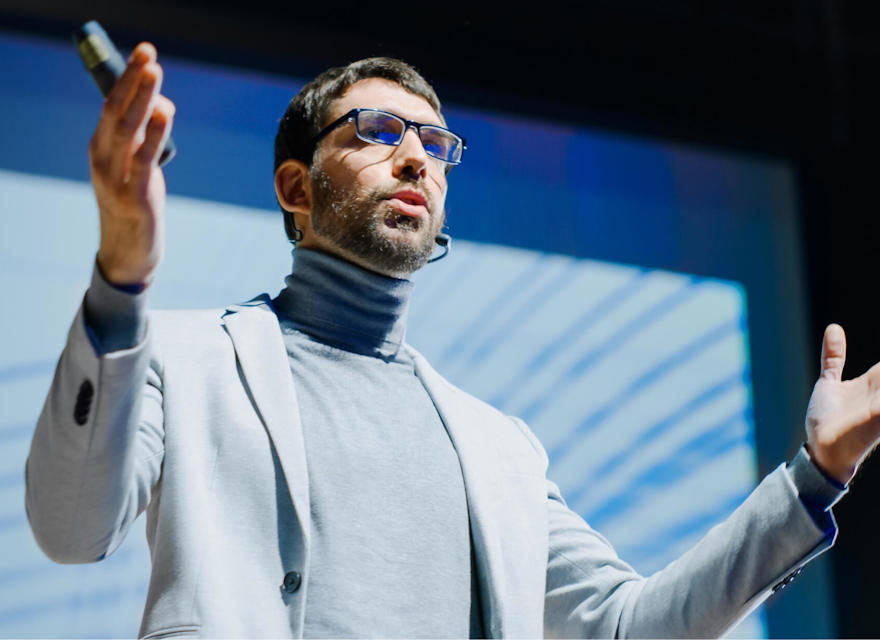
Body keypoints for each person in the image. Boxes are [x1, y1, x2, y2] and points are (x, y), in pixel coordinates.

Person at [25, 42, 879, 639]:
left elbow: (626, 626)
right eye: (377, 132)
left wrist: (815, 478)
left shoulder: (498, 448)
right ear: (296, 187)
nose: (416, 160)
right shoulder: (182, 357)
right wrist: (122, 272)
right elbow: (69, 529)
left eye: (435, 144)